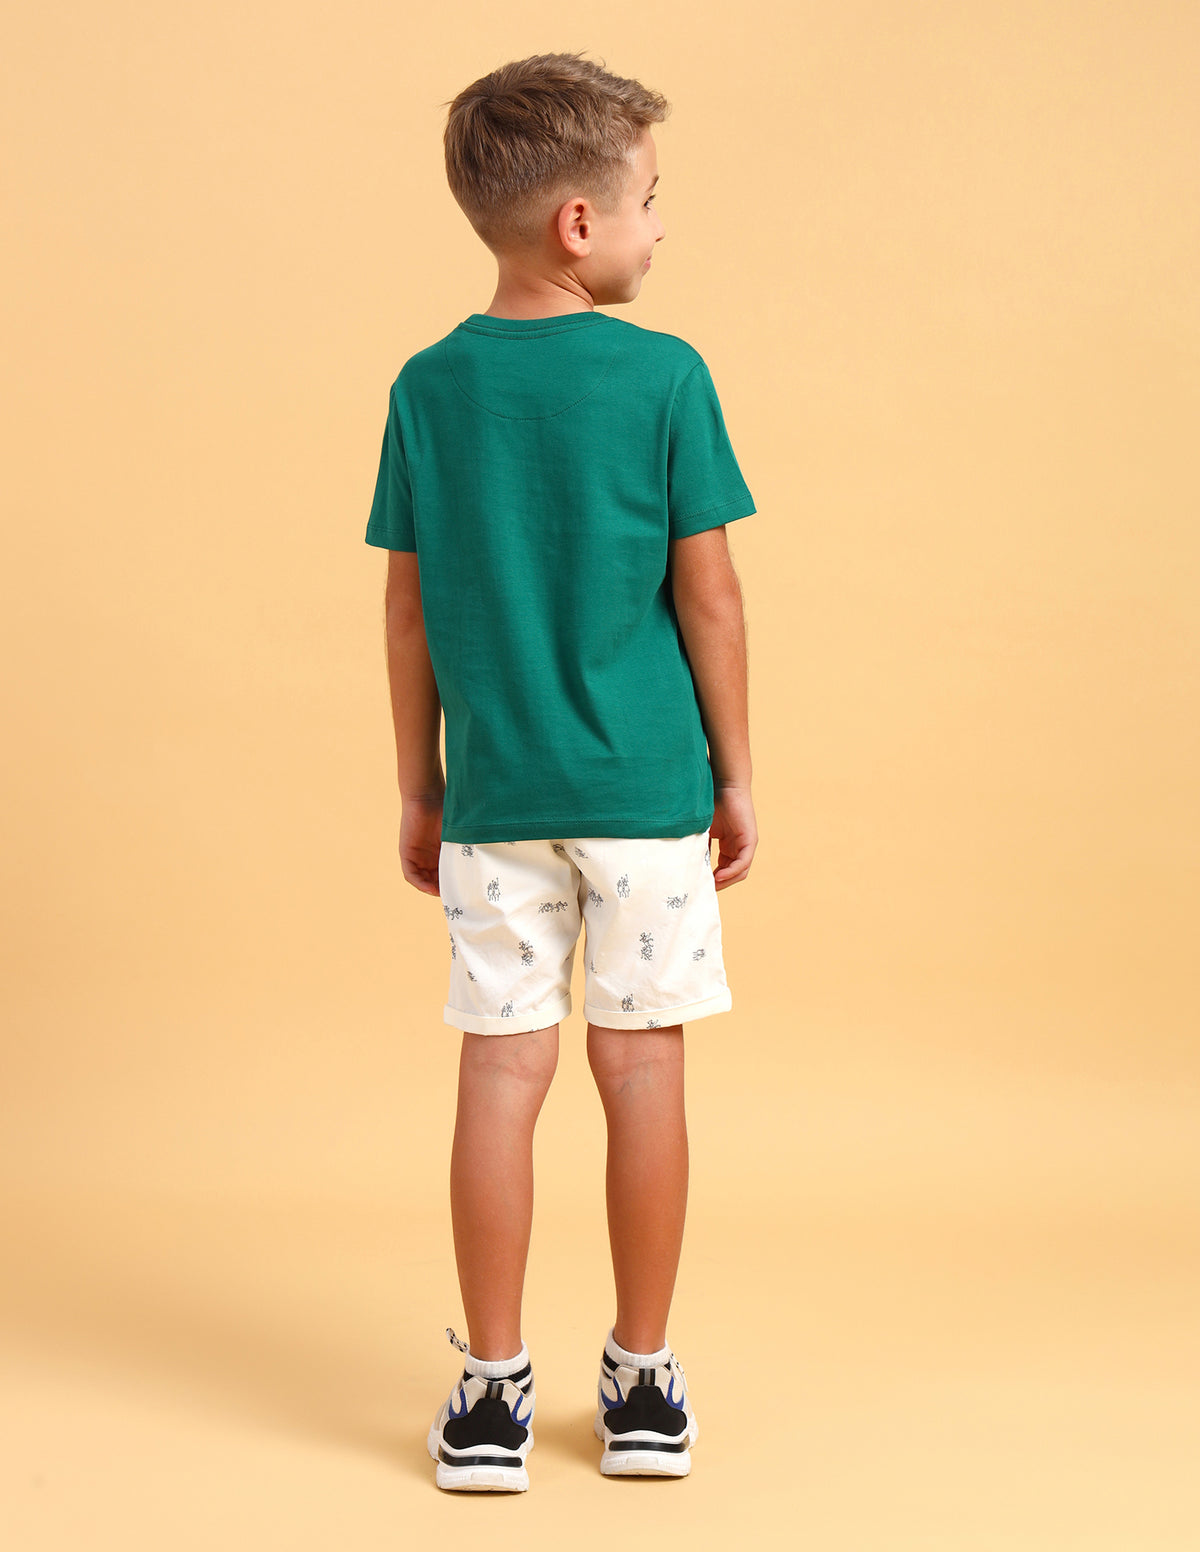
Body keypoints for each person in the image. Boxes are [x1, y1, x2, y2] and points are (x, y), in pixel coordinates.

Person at [364, 51, 757, 1492]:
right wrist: (736, 774)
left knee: (500, 1073)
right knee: (642, 1071)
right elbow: (708, 597)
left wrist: (421, 786)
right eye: (651, 199)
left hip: (498, 801)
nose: (662, 226)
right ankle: (643, 1383)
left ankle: (490, 1396)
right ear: (578, 224)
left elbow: (408, 610)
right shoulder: (665, 376)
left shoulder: (427, 388)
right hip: (646, 800)